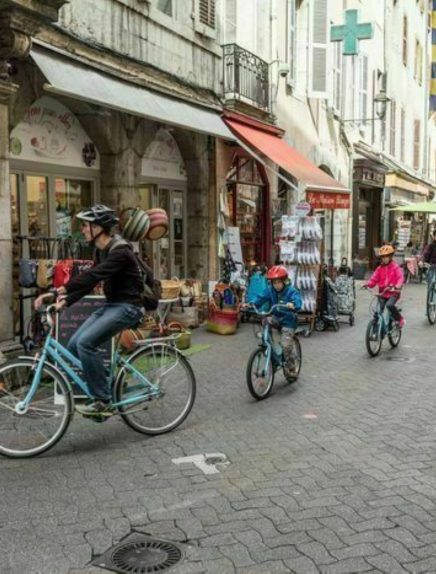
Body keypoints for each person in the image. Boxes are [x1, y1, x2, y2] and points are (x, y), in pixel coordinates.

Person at [34, 204, 144, 417]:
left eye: (85, 225)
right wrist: (65, 302)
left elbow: (95, 275)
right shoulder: (100, 250)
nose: (83, 229)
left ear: (99, 227)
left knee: (86, 343)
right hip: (113, 305)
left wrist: (59, 291)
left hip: (129, 307)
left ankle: (103, 400)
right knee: (75, 344)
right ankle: (108, 383)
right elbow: (89, 283)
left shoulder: (120, 251)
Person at [245, 265, 302, 377]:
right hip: (276, 317)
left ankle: (291, 367)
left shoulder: (290, 291)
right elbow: (261, 297)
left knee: (286, 346)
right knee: (265, 319)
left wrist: (293, 304)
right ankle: (268, 342)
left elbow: (298, 300)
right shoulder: (270, 290)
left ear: (284, 281)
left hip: (288, 320)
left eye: (278, 282)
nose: (276, 285)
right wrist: (251, 303)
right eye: (274, 283)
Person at [363, 244, 405, 328]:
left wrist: (397, 286)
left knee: (389, 305)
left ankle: (400, 319)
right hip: (383, 293)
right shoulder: (379, 268)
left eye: (386, 256)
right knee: (378, 311)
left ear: (390, 257)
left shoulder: (395, 267)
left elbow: (400, 278)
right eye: (382, 257)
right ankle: (376, 330)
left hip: (394, 292)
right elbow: (374, 279)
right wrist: (368, 284)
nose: (384, 259)